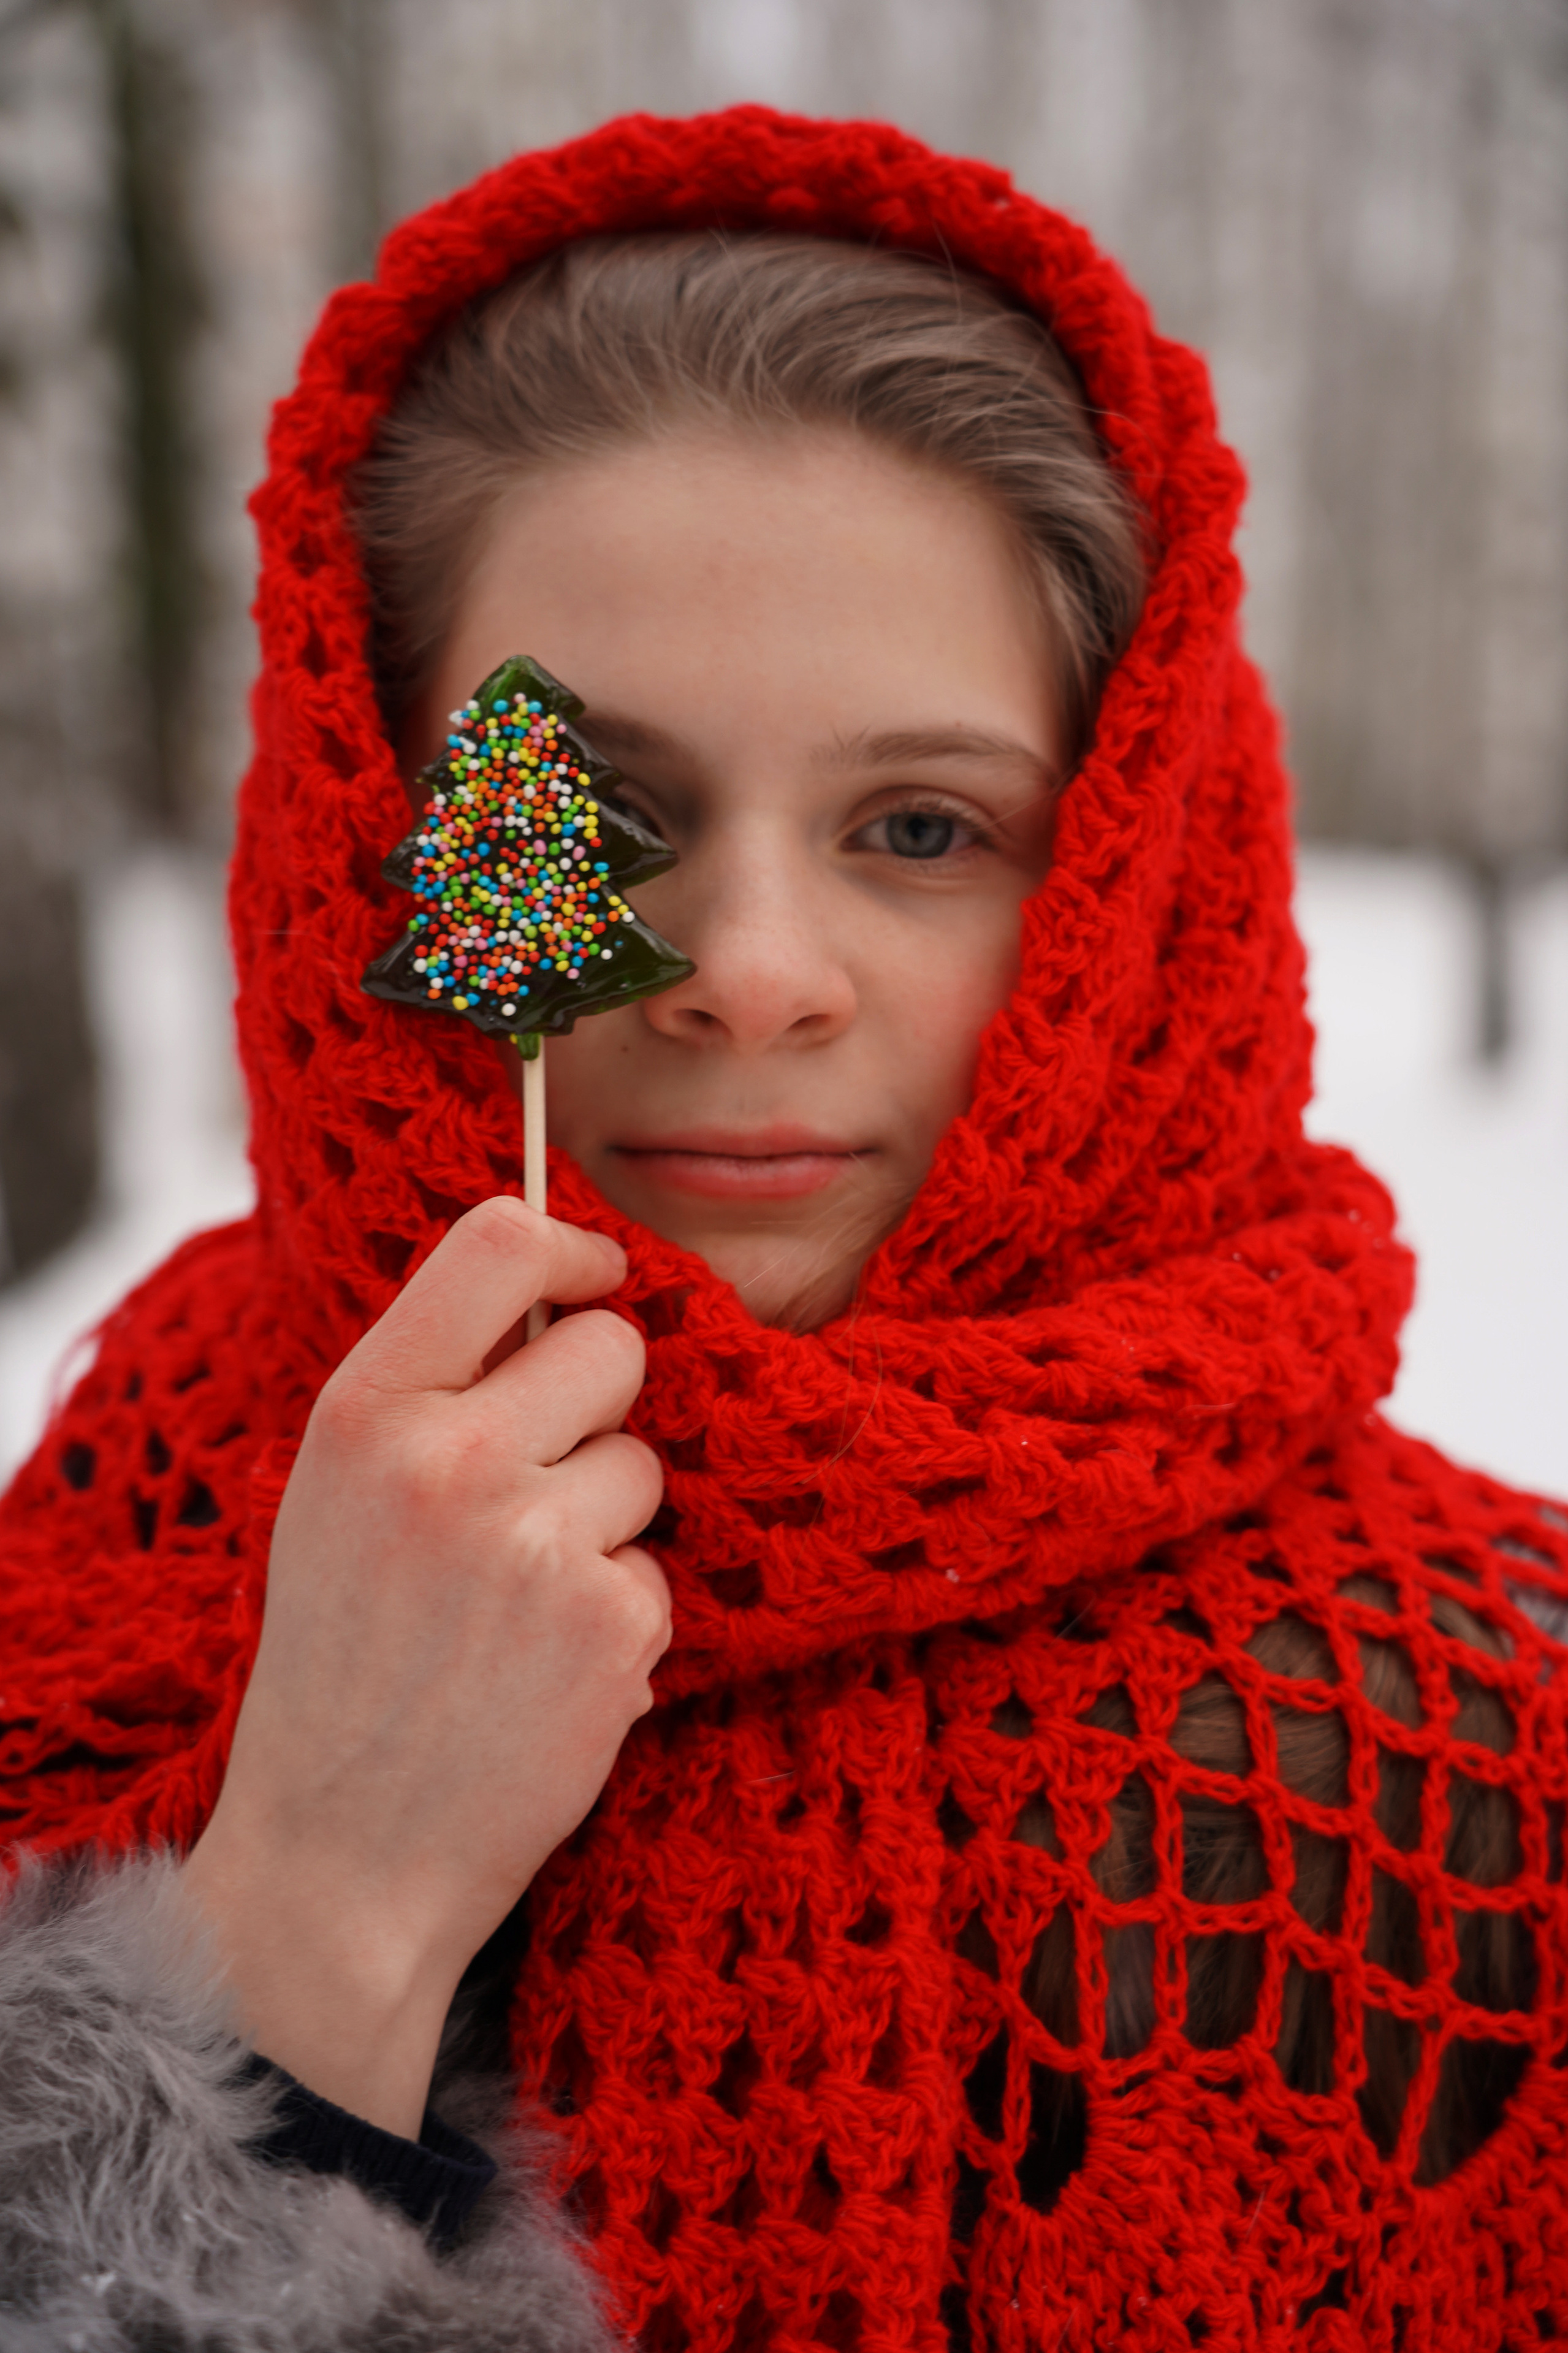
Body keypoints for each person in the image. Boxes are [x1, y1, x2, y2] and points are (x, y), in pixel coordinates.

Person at [1, 106, 1566, 2353]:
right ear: (375, 837)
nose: (749, 966)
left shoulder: (1501, 1757)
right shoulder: (87, 1575)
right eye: (604, 813)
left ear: (1133, 889)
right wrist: (304, 1920)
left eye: (920, 823)